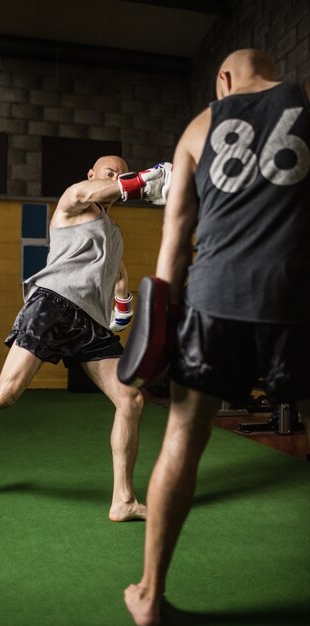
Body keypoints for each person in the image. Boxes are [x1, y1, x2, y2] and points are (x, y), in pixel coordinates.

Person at [124, 49, 310, 624]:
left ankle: (150, 597)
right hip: (294, 301)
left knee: (182, 434)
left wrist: (158, 322)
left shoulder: (201, 124)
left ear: (223, 81)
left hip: (215, 299)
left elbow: (175, 237)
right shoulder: (306, 103)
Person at [0, 155, 170, 522]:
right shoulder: (75, 200)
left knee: (131, 399)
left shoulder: (114, 232)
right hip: (53, 303)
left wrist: (121, 314)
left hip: (92, 322)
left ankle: (123, 500)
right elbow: (97, 191)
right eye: (108, 173)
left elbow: (120, 279)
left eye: (118, 173)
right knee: (6, 394)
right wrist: (144, 179)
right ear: (92, 175)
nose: (114, 177)